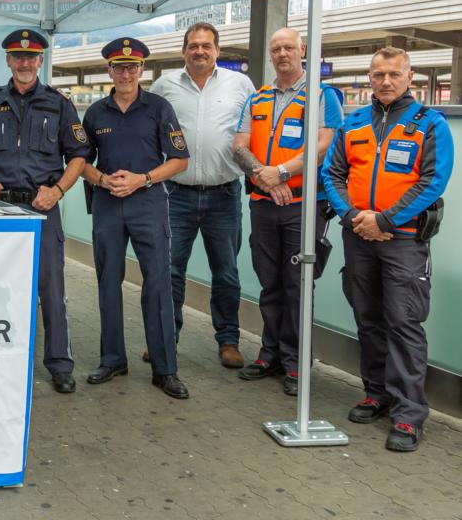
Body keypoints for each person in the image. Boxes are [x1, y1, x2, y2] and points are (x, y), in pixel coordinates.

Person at [323, 47, 453, 452]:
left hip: (404, 240)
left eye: (393, 74)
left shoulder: (430, 124)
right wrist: (353, 216)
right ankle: (376, 394)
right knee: (368, 318)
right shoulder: (355, 122)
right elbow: (333, 172)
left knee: (403, 322)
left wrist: (385, 220)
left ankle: (409, 414)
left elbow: (432, 181)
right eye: (378, 74)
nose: (385, 81)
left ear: (408, 76)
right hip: (359, 235)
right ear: (369, 77)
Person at [0, 29, 88, 393]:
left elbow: (79, 155)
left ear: (40, 61)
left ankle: (60, 363)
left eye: (31, 57)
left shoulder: (58, 103)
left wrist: (59, 190)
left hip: (41, 206)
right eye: (18, 56)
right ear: (8, 60)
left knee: (50, 287)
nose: (25, 63)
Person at [232, 27, 343, 395]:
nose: (282, 54)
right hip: (264, 203)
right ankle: (270, 354)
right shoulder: (258, 99)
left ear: (302, 51)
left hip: (303, 206)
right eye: (275, 48)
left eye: (288, 48)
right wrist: (264, 178)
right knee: (270, 282)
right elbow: (239, 145)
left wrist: (282, 172)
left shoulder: (323, 96)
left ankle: (296, 364)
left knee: (297, 285)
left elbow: (324, 145)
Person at [81, 38, 191, 399]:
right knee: (108, 281)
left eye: (132, 67)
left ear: (142, 70)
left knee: (158, 284)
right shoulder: (96, 112)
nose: (126, 73)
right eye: (118, 67)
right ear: (109, 71)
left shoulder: (159, 108)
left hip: (148, 202)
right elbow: (80, 160)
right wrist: (101, 178)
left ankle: (165, 368)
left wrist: (142, 179)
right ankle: (112, 358)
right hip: (108, 203)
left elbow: (179, 160)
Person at [149, 22, 255, 369]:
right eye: (193, 45)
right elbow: (149, 132)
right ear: (184, 51)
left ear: (217, 51)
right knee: (170, 270)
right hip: (175, 195)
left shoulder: (240, 85)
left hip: (224, 195)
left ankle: (228, 341)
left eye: (206, 46)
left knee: (225, 272)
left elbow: (252, 132)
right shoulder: (164, 85)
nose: (199, 51)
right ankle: (167, 338)